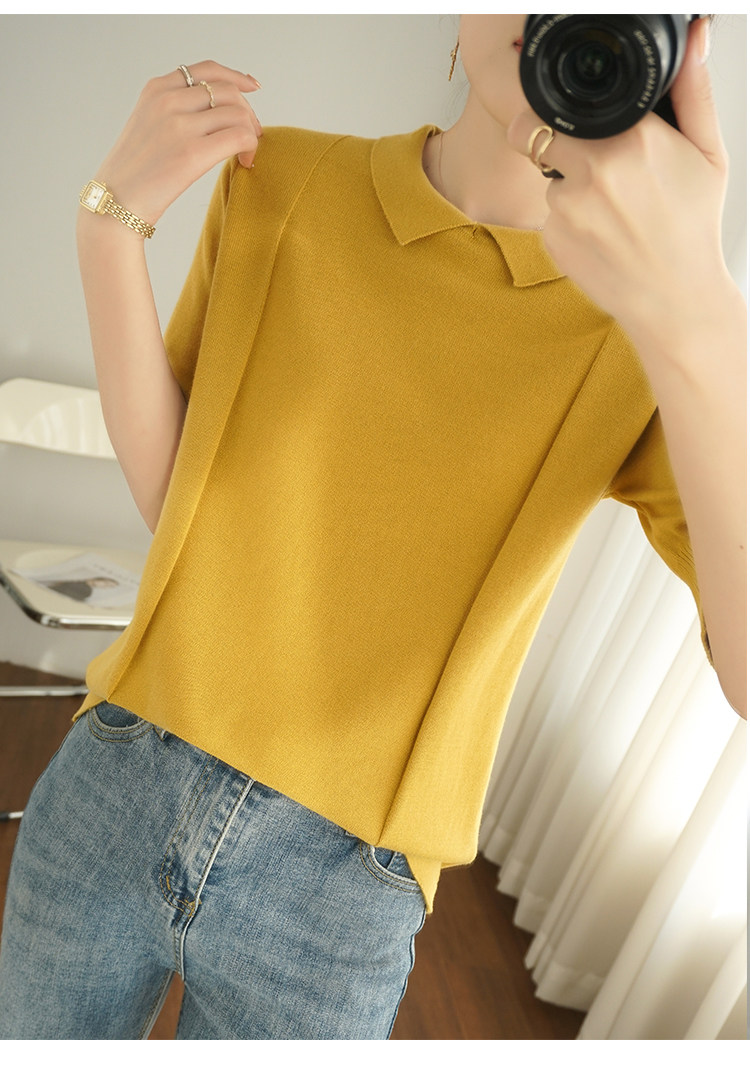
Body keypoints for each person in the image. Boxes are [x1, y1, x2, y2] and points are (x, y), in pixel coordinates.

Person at [0, 14, 744, 1040]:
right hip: (121, 774)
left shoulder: (650, 330)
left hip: (340, 893)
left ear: (680, 38)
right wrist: (108, 232)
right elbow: (185, 503)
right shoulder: (284, 180)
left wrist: (703, 316)